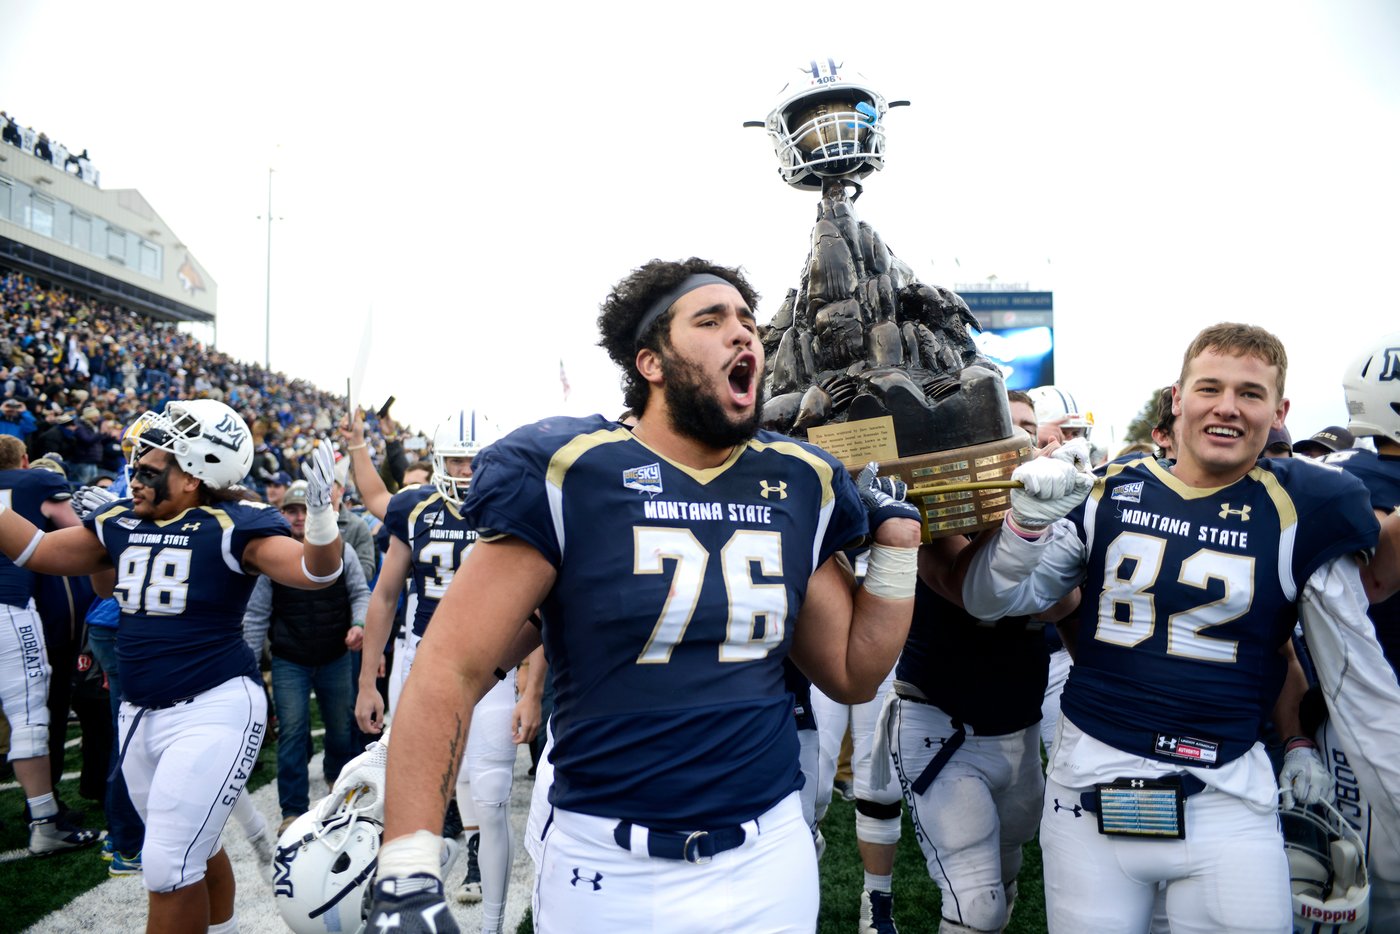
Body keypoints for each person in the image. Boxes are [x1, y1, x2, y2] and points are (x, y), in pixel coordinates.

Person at [363, 258, 922, 933]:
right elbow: (450, 665)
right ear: (651, 362)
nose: (743, 335)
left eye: (748, 321)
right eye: (710, 320)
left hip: (767, 854)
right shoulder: (573, 470)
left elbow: (854, 672)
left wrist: (896, 548)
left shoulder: (799, 478)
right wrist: (408, 862)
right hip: (609, 862)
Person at [964, 323, 1400, 933]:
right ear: (1178, 397)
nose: (1227, 406)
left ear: (1280, 411)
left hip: (1226, 791)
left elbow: (1359, 679)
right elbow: (990, 601)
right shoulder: (1107, 493)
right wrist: (1024, 528)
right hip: (1092, 782)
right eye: (1210, 388)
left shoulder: (1306, 508)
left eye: (1250, 393)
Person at [0, 399, 344, 934]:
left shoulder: (235, 523)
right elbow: (37, 551)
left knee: (165, 865)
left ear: (193, 475)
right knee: (194, 849)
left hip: (212, 706)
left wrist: (322, 522)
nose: (132, 477)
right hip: (138, 711)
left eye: (147, 468)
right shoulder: (120, 521)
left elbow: (313, 572)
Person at [355, 411, 539, 933]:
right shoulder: (415, 508)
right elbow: (385, 594)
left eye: (473, 458)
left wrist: (530, 686)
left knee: (492, 794)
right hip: (420, 656)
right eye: (455, 457)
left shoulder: (516, 506)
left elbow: (542, 608)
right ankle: (401, 897)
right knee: (405, 790)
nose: (463, 469)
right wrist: (368, 679)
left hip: (493, 663)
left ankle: (493, 923)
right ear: (437, 460)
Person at [241, 479, 370, 836]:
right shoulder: (274, 554)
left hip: (335, 653)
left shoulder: (343, 550)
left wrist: (359, 623)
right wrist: (250, 668)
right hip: (290, 657)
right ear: (282, 514)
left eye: (304, 510)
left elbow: (362, 593)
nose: (299, 518)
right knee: (293, 732)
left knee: (340, 727)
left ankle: (337, 786)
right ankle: (293, 809)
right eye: (292, 510)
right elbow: (255, 615)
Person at [0, 435, 101, 855]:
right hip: (7, 605)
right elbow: (75, 533)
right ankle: (44, 821)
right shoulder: (34, 482)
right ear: (25, 460)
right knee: (28, 716)